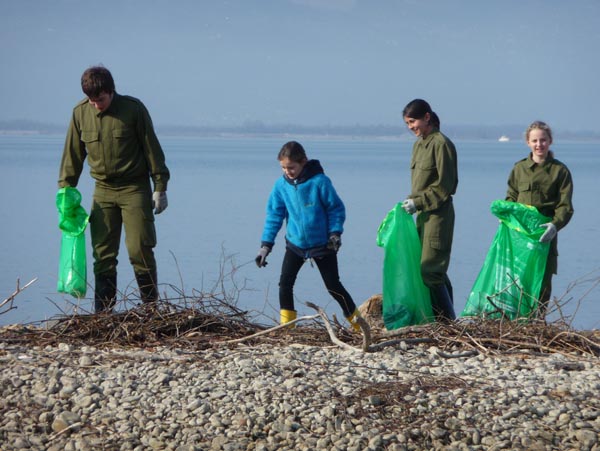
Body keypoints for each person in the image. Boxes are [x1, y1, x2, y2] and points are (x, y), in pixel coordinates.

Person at [58, 66, 170, 313]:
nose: (96, 105)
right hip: (103, 191)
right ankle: (104, 314)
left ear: (111, 91)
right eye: (92, 100)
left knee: (139, 249)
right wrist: (65, 192)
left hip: (135, 189)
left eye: (101, 99)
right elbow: (72, 157)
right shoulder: (80, 114)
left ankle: (150, 310)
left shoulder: (133, 109)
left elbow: (152, 149)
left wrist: (160, 186)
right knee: (103, 255)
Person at [256, 141, 366, 332]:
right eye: (283, 167)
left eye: (291, 167)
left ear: (303, 162)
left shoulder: (320, 182)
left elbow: (336, 209)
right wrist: (265, 246)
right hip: (295, 244)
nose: (287, 171)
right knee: (285, 284)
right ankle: (287, 328)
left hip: (323, 244)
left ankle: (360, 326)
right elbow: (274, 216)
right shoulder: (281, 185)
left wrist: (335, 233)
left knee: (333, 286)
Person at [506, 120, 574, 317]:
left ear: (550, 141)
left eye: (543, 140)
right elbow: (511, 197)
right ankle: (515, 323)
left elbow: (565, 206)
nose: (539, 145)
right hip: (520, 238)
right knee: (517, 281)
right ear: (528, 142)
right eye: (534, 140)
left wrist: (555, 225)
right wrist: (506, 216)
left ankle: (536, 325)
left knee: (542, 284)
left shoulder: (560, 171)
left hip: (545, 237)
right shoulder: (519, 169)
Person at [401, 99, 458, 321]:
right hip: (423, 216)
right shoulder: (419, 144)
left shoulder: (441, 144)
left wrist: (419, 203)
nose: (410, 127)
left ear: (427, 117)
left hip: (438, 216)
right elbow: (420, 184)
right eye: (407, 123)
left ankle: (449, 324)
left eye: (412, 121)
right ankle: (442, 321)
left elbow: (446, 186)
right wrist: (408, 204)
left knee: (430, 270)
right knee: (432, 271)